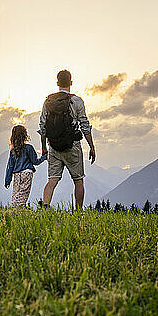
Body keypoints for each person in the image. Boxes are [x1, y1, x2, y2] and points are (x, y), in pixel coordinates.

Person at [39, 69, 96, 210]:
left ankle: (45, 208)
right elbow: (84, 125)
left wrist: (44, 147)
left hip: (53, 146)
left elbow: (42, 126)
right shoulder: (76, 101)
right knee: (78, 180)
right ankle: (78, 212)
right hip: (72, 146)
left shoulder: (48, 101)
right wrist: (92, 147)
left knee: (52, 180)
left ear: (57, 83)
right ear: (71, 82)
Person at [4, 125, 47, 207]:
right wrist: (44, 157)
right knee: (23, 195)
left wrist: (7, 180)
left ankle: (15, 208)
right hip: (27, 173)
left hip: (16, 175)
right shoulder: (29, 148)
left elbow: (10, 166)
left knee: (16, 194)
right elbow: (35, 161)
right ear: (25, 135)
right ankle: (15, 208)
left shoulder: (13, 151)